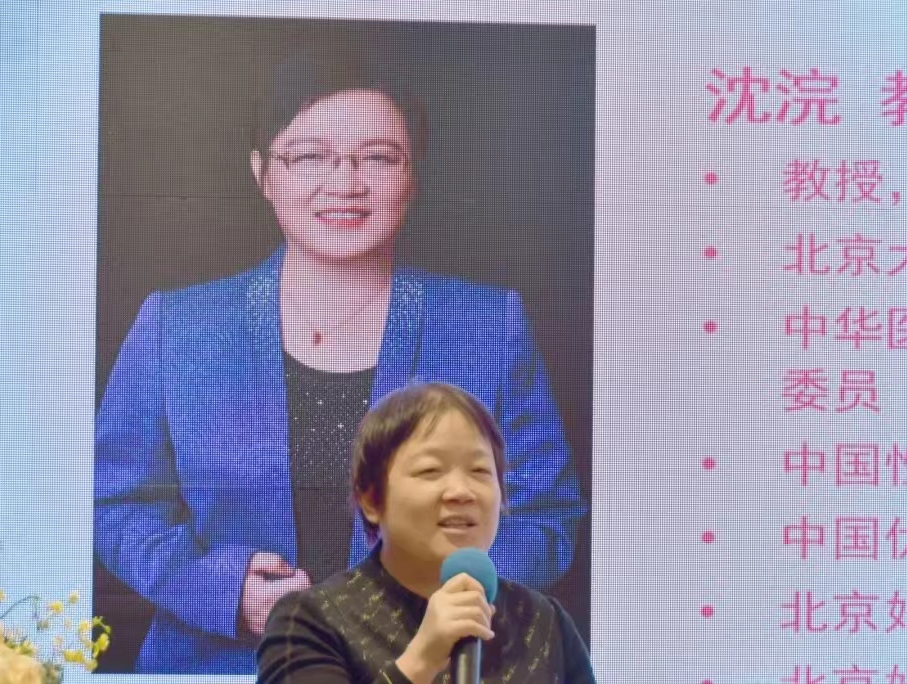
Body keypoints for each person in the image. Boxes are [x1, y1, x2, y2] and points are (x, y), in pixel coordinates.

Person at [93, 44, 586, 674]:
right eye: (309, 157)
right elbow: (116, 505)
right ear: (262, 172)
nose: (345, 183)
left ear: (412, 172)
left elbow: (547, 517)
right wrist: (223, 591)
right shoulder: (178, 326)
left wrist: (414, 594)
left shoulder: (488, 324)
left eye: (377, 157)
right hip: (217, 666)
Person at [256, 382, 596, 683]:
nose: (461, 491)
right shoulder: (312, 621)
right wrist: (421, 660)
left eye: (480, 470)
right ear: (371, 499)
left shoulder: (542, 622)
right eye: (431, 470)